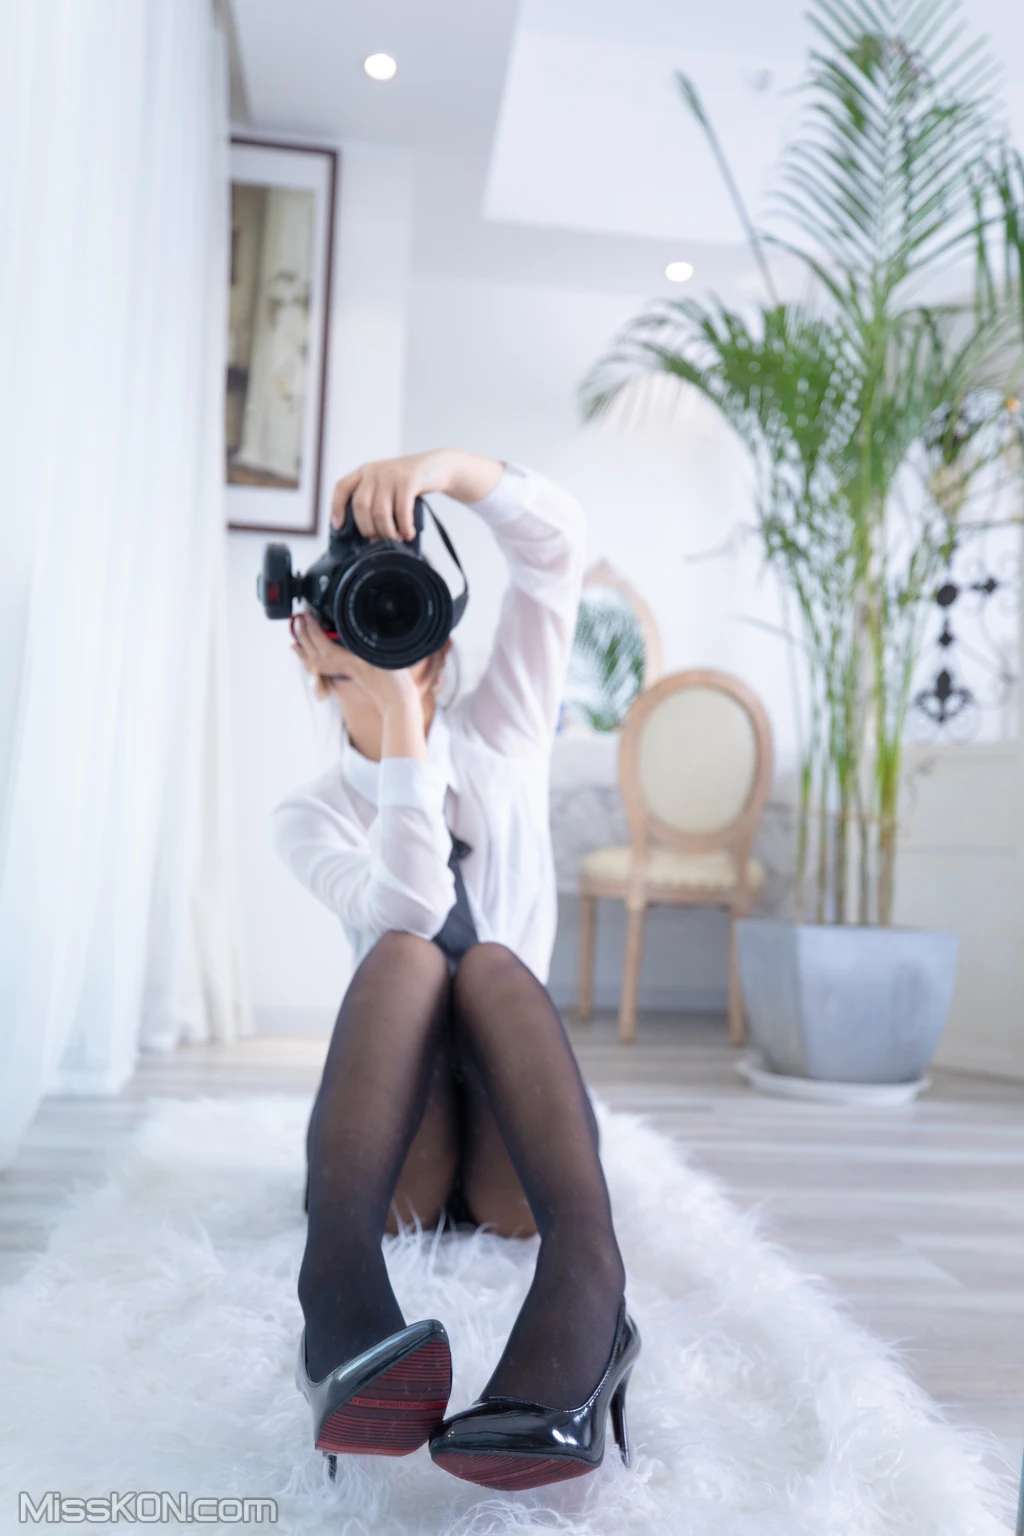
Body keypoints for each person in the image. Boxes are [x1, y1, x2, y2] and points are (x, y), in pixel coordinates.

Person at [271, 449, 640, 1491]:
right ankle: (338, 1284)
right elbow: (416, 910)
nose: (397, 640)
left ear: (445, 623)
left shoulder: (506, 733)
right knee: (410, 953)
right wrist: (400, 732)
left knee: (491, 971)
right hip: (405, 1153)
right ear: (311, 644)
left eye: (410, 609)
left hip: (520, 1149)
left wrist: (446, 470)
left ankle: (587, 1277)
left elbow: (556, 549)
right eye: (367, 616)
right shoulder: (308, 814)